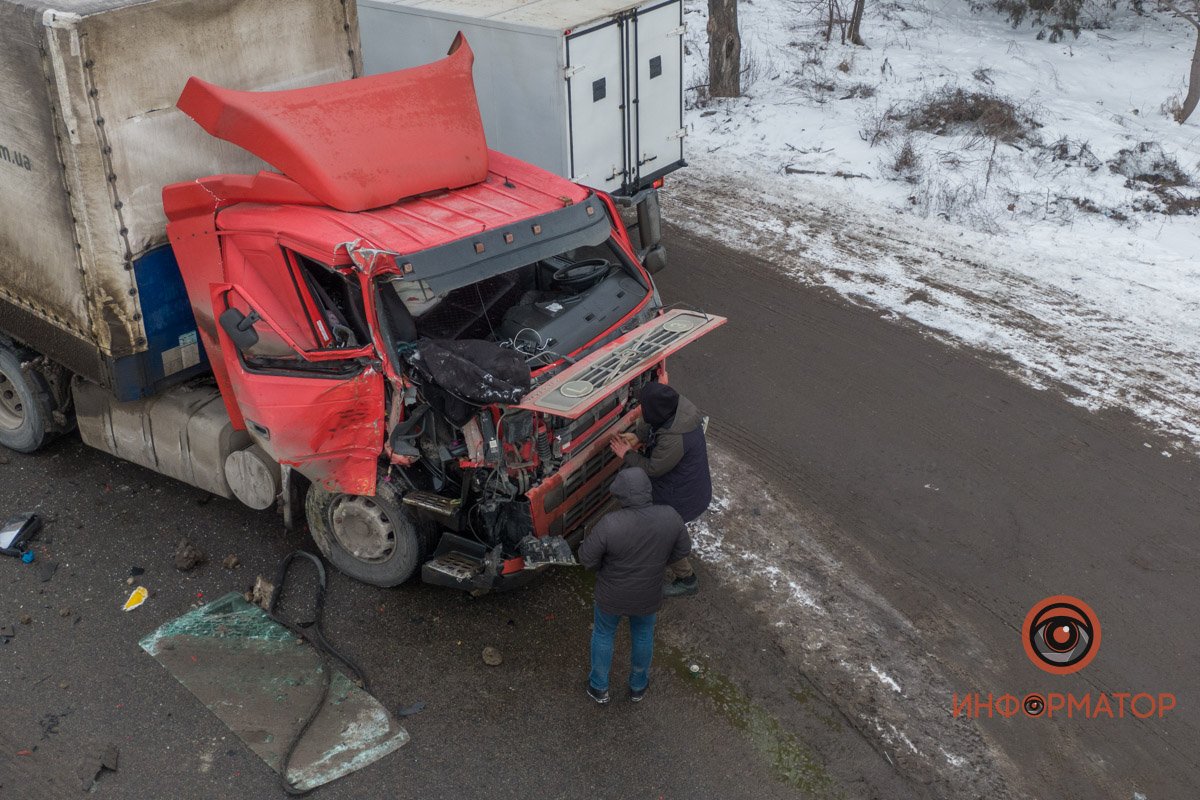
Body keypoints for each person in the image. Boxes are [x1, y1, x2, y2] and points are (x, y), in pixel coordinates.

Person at [578, 467, 691, 704]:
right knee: (643, 635)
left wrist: (605, 566)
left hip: (611, 596)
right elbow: (681, 551)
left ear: (620, 495)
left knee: (603, 634)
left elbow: (586, 559)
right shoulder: (670, 516)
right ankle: (637, 687)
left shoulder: (611, 524)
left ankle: (599, 687)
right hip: (648, 596)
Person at [609, 377, 711, 597]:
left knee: (664, 534)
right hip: (682, 487)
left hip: (682, 497)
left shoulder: (675, 439)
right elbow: (653, 423)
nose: (642, 410)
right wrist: (637, 436)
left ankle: (687, 580)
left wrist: (626, 453)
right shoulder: (674, 409)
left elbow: (654, 468)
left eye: (645, 407)